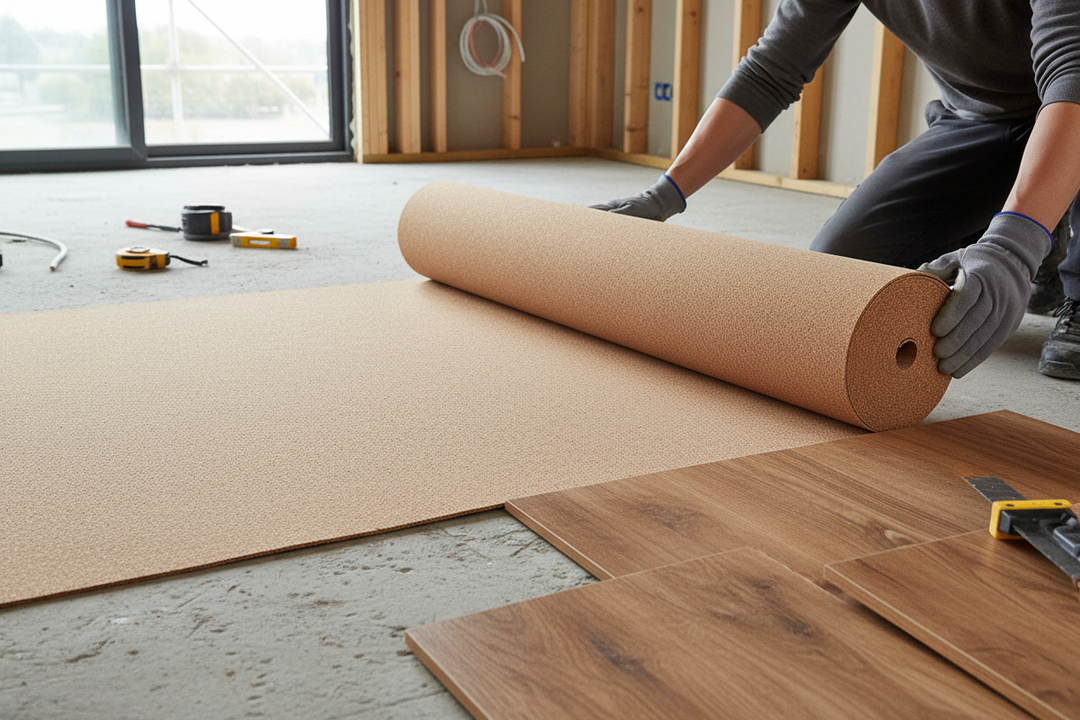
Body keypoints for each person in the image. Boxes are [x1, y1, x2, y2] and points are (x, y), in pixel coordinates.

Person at [592, 0, 1080, 380]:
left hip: (1071, 102)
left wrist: (1013, 248)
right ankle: (1050, 231)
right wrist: (666, 193)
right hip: (979, 123)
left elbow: (1070, 72)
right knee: (840, 272)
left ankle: (1063, 266)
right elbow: (770, 70)